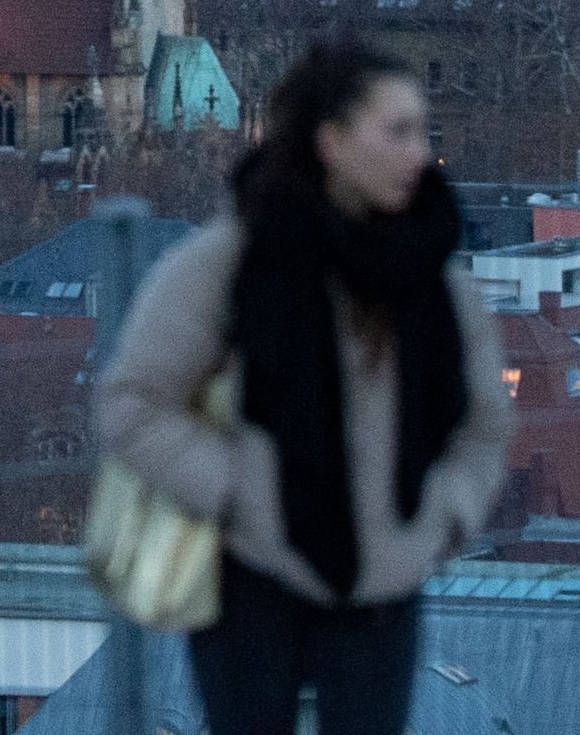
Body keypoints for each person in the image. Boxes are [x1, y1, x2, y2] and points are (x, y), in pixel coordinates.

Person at [99, 40, 506, 735]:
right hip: (251, 582)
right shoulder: (230, 262)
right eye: (398, 131)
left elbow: (484, 427)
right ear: (332, 141)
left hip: (385, 585)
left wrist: (445, 514)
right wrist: (232, 493)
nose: (420, 153)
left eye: (422, 131)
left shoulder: (433, 271)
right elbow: (132, 403)